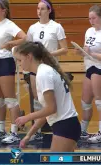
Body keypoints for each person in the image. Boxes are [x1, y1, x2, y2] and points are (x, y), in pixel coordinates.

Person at [14, 41, 80, 165]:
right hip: (68, 126)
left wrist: (26, 117)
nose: (19, 64)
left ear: (29, 57)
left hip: (65, 128)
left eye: (20, 60)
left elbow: (51, 108)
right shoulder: (45, 70)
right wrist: (29, 135)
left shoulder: (43, 74)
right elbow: (47, 112)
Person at [0, 0, 27, 144]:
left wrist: (10, 44)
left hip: (5, 62)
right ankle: (1, 129)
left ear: (4, 10)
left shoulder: (9, 25)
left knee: (10, 99)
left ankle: (14, 131)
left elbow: (25, 38)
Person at [26, 0, 68, 141]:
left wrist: (49, 54)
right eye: (38, 8)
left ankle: (56, 125)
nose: (39, 11)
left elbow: (65, 49)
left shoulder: (56, 27)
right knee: (37, 99)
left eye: (42, 8)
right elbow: (28, 47)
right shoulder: (32, 28)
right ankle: (37, 131)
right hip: (35, 68)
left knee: (51, 99)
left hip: (50, 68)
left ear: (49, 10)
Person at [74, 5, 101, 143]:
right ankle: (82, 130)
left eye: (94, 18)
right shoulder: (89, 31)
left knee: (100, 102)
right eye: (89, 18)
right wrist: (81, 52)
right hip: (90, 67)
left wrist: (92, 54)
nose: (91, 21)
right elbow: (87, 49)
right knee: (85, 102)